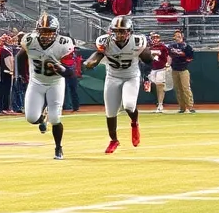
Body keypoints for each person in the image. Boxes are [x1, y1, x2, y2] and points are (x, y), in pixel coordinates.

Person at [84, 15, 150, 154]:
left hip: (131, 77)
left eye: (122, 31)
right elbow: (96, 56)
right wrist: (90, 62)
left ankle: (134, 123)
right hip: (113, 77)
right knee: (110, 112)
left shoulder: (137, 42)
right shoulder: (105, 42)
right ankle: (114, 140)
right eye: (116, 31)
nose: (119, 34)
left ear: (129, 31)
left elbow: (148, 59)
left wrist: (146, 52)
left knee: (129, 105)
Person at [19, 12, 73, 160]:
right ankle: (42, 119)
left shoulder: (64, 43)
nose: (46, 34)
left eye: (49, 31)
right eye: (43, 31)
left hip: (55, 83)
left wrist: (60, 68)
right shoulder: (30, 40)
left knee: (55, 118)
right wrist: (22, 75)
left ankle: (58, 147)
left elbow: (70, 72)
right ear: (38, 30)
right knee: (31, 118)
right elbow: (20, 56)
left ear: (56, 32)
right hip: (36, 82)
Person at [166, 30, 196, 114]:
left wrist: (184, 61)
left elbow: (190, 57)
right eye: (176, 36)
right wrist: (168, 64)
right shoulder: (171, 46)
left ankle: (190, 107)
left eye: (179, 36)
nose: (178, 38)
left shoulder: (187, 47)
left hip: (183, 70)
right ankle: (182, 107)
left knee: (185, 88)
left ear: (182, 37)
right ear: (174, 37)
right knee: (177, 89)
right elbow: (169, 56)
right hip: (174, 69)